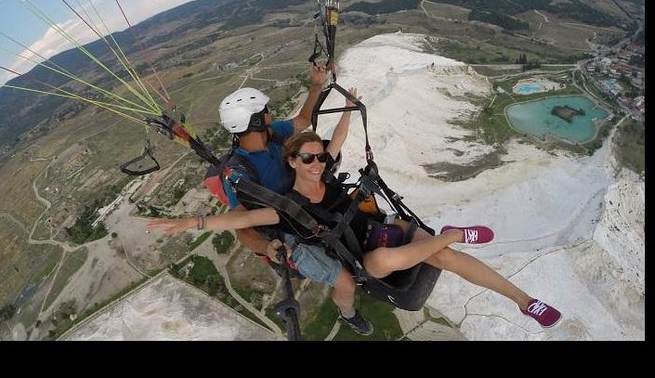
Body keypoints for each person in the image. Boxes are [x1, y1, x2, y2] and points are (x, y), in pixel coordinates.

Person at [149, 93, 563, 330]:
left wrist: (347, 106)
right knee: (366, 269)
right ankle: (354, 309)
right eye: (307, 160)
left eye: (318, 159)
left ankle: (523, 300)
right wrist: (194, 222)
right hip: (354, 251)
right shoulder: (282, 203)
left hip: (369, 228)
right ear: (292, 163)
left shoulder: (312, 164)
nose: (317, 164)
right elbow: (241, 220)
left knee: (442, 255)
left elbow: (329, 137)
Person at [148, 71, 374, 335]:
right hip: (286, 229)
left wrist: (315, 86)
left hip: (307, 197)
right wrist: (266, 246)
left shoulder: (272, 134)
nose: (271, 115)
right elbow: (243, 226)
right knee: (345, 282)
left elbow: (303, 120)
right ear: (256, 121)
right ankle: (348, 314)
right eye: (266, 112)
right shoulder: (239, 172)